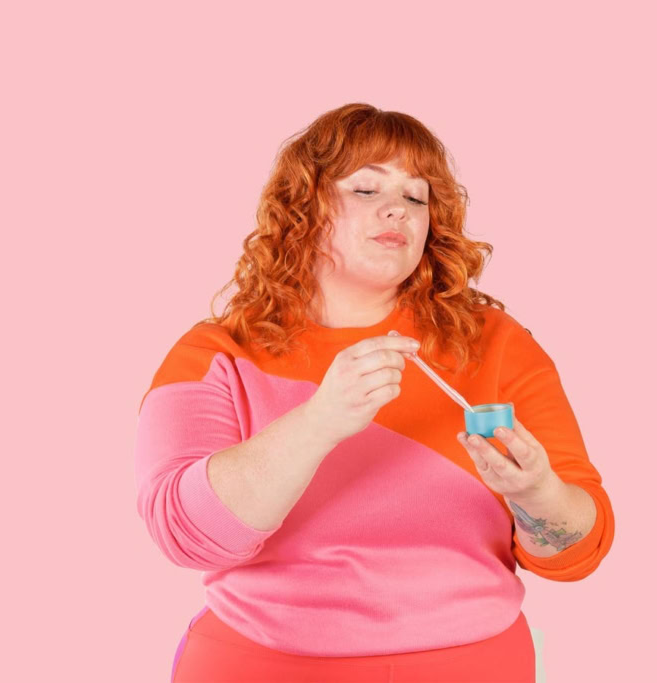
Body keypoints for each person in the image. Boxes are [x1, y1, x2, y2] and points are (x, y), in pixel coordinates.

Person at [134, 103, 615, 682]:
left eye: (416, 197)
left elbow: (577, 552)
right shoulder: (216, 354)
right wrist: (319, 421)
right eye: (365, 188)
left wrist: (537, 493)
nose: (398, 209)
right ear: (303, 206)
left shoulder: (496, 344)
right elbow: (186, 536)